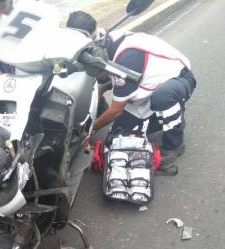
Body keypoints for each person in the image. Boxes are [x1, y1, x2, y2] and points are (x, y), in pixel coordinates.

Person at [69, 12, 196, 176]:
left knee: (162, 97)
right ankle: (158, 119)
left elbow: (116, 110)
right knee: (119, 136)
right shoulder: (107, 40)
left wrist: (89, 131)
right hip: (145, 83)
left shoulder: (127, 58)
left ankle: (175, 143)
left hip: (178, 79)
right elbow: (100, 84)